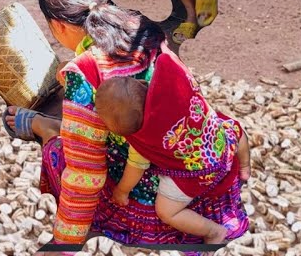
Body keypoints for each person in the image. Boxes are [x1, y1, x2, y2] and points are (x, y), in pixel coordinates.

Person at [1, 0, 249, 249]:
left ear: (58, 26)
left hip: (153, 180)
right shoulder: (141, 29)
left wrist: (64, 244)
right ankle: (52, 125)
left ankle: (48, 130)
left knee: (63, 154)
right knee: (88, 119)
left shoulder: (85, 73)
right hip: (196, 150)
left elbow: (86, 175)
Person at [100, 77, 251, 244]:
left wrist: (122, 191)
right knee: (233, 127)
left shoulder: (143, 140)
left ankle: (213, 231)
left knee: (167, 212)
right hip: (218, 141)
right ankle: (244, 167)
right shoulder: (169, 94)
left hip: (199, 171)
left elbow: (135, 168)